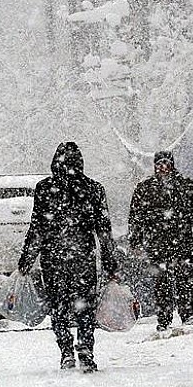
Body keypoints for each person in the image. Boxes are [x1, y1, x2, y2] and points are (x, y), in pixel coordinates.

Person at [18, 142, 117, 373]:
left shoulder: (45, 189)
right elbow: (103, 230)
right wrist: (110, 260)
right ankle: (85, 350)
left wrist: (27, 259)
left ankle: (66, 351)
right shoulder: (93, 188)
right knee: (85, 308)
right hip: (82, 258)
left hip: (54, 258)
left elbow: (37, 228)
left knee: (59, 306)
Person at [128, 150, 193, 331]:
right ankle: (164, 318)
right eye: (159, 164)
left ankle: (187, 314)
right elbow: (136, 216)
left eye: (166, 163)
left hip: (181, 240)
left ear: (172, 164)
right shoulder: (145, 188)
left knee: (185, 279)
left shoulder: (185, 185)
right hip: (157, 242)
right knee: (162, 282)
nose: (163, 167)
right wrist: (135, 240)